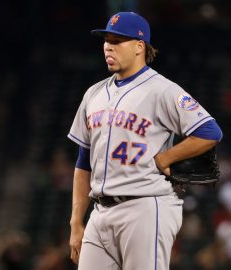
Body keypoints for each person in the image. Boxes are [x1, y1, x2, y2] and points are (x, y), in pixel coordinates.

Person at [67, 11, 223, 270]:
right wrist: (76, 222)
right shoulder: (93, 94)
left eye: (117, 41)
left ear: (139, 47)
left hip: (145, 206)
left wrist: (167, 157)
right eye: (106, 39)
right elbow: (83, 162)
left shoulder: (162, 90)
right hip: (100, 211)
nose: (108, 46)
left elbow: (209, 131)